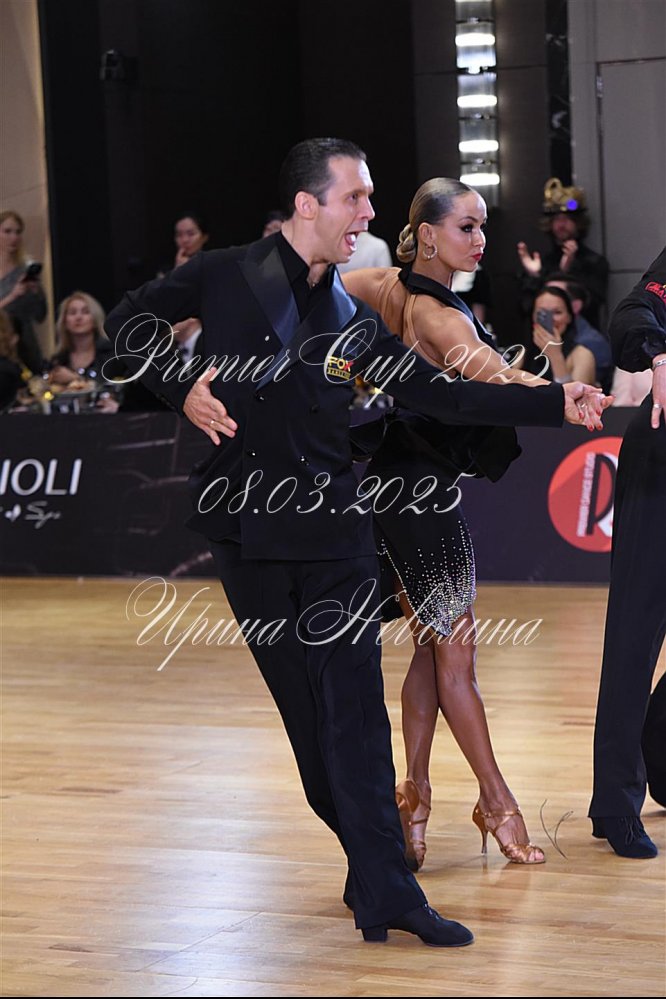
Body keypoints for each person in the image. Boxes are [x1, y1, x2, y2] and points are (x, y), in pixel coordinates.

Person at [105, 138, 608, 945]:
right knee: (314, 737)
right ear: (307, 203)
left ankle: (389, 893)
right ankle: (373, 869)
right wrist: (179, 386)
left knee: (360, 723)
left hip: (338, 532)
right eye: (356, 198)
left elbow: (445, 396)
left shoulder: (350, 315)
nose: (369, 215)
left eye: (370, 199)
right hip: (250, 534)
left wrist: (555, 401)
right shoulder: (226, 273)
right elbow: (126, 323)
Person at [343, 178, 552, 871]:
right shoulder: (440, 317)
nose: (480, 239)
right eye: (467, 226)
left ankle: (413, 798)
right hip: (422, 501)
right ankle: (497, 801)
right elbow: (499, 378)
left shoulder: (384, 287)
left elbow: (318, 287)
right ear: (428, 234)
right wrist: (566, 395)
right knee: (456, 661)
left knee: (429, 651)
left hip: (390, 488)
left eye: (482, 226)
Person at [589, 245, 666, 858]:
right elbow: (634, 312)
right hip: (662, 459)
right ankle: (616, 803)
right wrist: (660, 355)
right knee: (635, 636)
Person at [517, 178, 609, 329]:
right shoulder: (542, 263)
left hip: (581, 338)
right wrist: (535, 276)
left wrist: (568, 271)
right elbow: (526, 308)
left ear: (578, 222)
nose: (561, 224)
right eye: (557, 219)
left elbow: (589, 305)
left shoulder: (594, 262)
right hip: (544, 337)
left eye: (567, 219)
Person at [543, 273, 613, 392]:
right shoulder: (530, 344)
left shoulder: (589, 344)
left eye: (557, 295)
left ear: (575, 306)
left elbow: (578, 395)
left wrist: (555, 357)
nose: (548, 317)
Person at [0, 209, 47, 373]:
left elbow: (41, 315)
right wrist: (12, 296)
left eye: (18, 232)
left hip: (26, 346)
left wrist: (35, 292)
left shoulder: (24, 269)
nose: (14, 237)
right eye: (7, 231)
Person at [531, 285, 600, 387]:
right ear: (533, 316)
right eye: (542, 313)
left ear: (569, 317)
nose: (550, 319)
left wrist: (555, 356)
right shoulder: (523, 351)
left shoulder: (582, 355)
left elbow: (576, 395)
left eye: (557, 312)